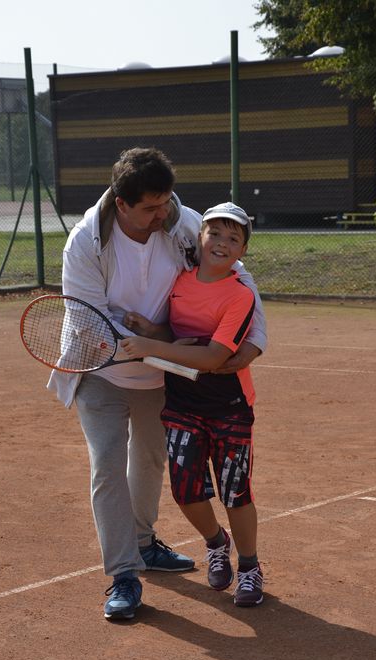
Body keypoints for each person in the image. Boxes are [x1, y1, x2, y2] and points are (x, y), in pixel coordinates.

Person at [47, 148, 267, 620]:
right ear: (121, 204)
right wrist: (153, 345)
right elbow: (87, 319)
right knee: (108, 465)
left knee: (150, 459)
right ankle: (123, 574)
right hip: (100, 367)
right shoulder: (84, 242)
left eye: (166, 202)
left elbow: (239, 277)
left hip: (160, 372)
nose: (161, 213)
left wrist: (255, 342)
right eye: (150, 207)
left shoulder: (183, 222)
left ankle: (145, 544)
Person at [121, 202, 264, 607]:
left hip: (229, 405)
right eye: (214, 233)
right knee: (186, 492)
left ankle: (249, 567)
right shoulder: (179, 282)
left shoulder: (240, 295)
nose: (221, 243)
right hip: (182, 405)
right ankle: (217, 542)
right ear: (199, 238)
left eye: (233, 238)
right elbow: (180, 335)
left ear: (242, 252)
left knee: (235, 493)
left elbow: (214, 357)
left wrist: (150, 346)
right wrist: (154, 330)